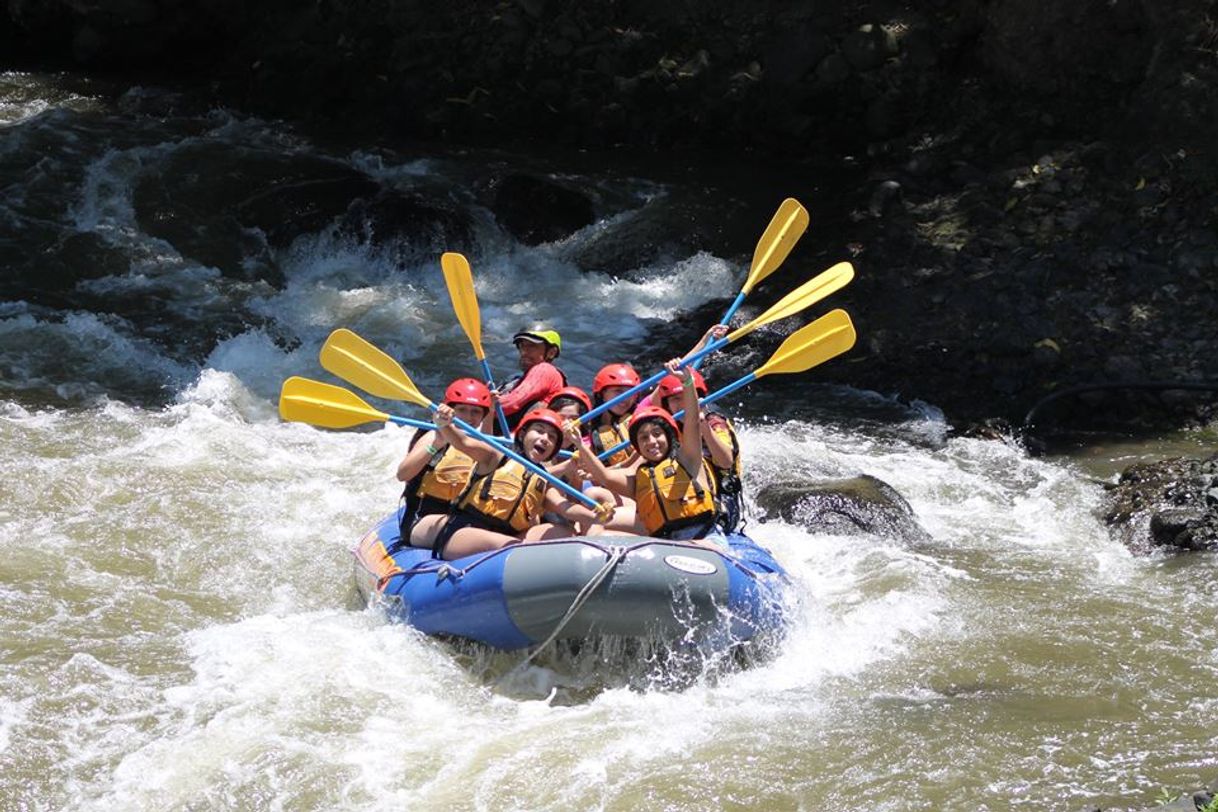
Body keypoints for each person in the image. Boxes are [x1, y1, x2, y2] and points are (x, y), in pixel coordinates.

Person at [409, 407, 614, 559]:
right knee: (510, 546)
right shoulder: (496, 455)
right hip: (465, 529)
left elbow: (566, 508)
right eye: (539, 431)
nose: (545, 439)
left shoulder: (544, 479)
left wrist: (596, 516)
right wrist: (446, 425)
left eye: (551, 437)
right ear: (523, 434)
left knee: (565, 533)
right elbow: (463, 443)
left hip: (507, 535)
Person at [572, 360, 721, 542]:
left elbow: (691, 421)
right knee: (599, 536)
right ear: (638, 446)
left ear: (669, 436)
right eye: (643, 438)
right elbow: (604, 476)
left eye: (657, 434)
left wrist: (687, 381)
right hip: (665, 543)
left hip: (704, 538)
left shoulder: (688, 459)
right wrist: (579, 445)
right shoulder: (639, 479)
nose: (651, 442)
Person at [394, 378, 491, 539]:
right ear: (450, 410)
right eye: (462, 410)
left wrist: (492, 411)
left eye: (476, 412)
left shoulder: (477, 441)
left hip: (461, 518)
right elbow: (402, 474)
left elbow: (490, 454)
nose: (468, 417)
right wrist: (437, 444)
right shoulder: (434, 434)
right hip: (422, 519)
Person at [654, 369, 744, 534]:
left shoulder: (716, 424)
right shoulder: (668, 429)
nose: (682, 404)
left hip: (720, 504)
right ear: (667, 404)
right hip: (683, 499)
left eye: (685, 397)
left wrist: (702, 425)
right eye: (675, 399)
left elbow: (726, 461)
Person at [495, 327, 566, 429]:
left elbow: (509, 404)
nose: (524, 351)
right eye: (522, 346)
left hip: (516, 441)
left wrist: (480, 406)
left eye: (532, 346)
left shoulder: (544, 369)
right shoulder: (519, 378)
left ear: (551, 353)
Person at [588, 363, 641, 467]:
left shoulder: (643, 415)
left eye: (631, 392)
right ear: (602, 394)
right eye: (618, 391)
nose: (625, 397)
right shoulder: (588, 428)